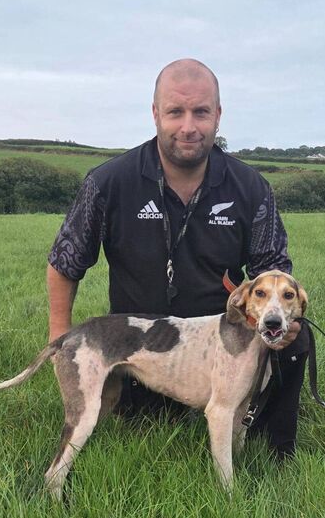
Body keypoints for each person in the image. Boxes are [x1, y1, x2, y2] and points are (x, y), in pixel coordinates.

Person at [46, 58, 308, 458]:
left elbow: (273, 271)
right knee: (138, 422)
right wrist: (59, 337)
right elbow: (65, 262)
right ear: (155, 114)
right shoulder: (108, 182)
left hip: (221, 340)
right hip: (144, 345)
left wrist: (283, 322)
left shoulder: (251, 187)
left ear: (218, 115)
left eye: (201, 112)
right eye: (175, 112)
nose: (188, 126)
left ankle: (273, 448)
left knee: (297, 336)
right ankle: (139, 408)